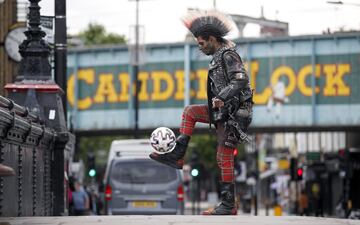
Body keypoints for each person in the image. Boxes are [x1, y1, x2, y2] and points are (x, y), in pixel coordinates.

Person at [150, 10, 253, 215]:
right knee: (191, 112)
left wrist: (221, 97)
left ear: (212, 39)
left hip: (234, 115)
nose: (200, 47)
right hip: (222, 111)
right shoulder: (218, 56)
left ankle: (228, 205)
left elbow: (241, 79)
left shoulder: (228, 55)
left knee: (223, 156)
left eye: (202, 43)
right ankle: (178, 154)